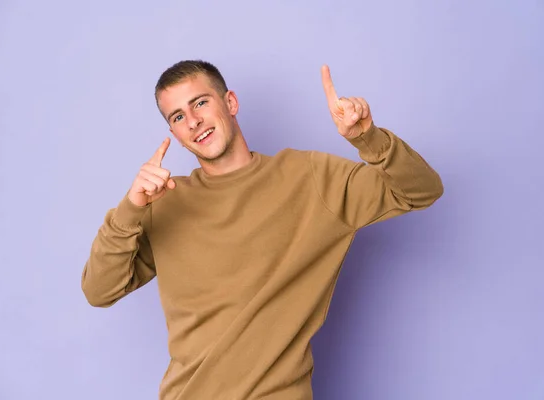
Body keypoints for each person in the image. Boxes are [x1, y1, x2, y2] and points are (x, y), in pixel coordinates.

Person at [81, 60, 444, 399]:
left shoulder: (311, 179)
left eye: (201, 103)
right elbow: (99, 290)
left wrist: (368, 138)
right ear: (174, 133)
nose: (193, 121)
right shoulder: (164, 203)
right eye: (178, 116)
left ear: (231, 103)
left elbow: (421, 190)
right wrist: (131, 208)